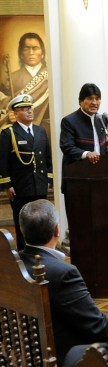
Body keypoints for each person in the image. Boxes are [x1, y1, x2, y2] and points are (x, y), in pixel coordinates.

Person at [18, 199, 108, 362]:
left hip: (25, 356)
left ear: (22, 230)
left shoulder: (11, 265)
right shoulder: (63, 273)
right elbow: (99, 329)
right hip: (63, 359)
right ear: (57, 230)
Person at [60, 83, 108, 226]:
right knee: (80, 225)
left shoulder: (100, 120)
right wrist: (86, 153)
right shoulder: (69, 121)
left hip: (99, 181)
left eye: (97, 98)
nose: (94, 102)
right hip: (77, 182)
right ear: (81, 101)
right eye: (90, 98)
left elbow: (104, 147)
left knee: (100, 223)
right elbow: (67, 147)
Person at [0, 94, 52, 250]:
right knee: (23, 221)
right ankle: (24, 252)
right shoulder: (9, 133)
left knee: (42, 219)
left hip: (40, 185)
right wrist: (7, 185)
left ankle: (42, 249)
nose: (29, 112)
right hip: (20, 188)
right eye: (24, 109)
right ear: (15, 114)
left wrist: (48, 180)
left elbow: (47, 158)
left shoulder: (40, 131)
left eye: (30, 108)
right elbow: (2, 162)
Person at [0, 33, 49, 131]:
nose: (31, 52)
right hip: (18, 130)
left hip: (46, 130)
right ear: (21, 54)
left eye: (35, 48)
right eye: (26, 48)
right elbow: (3, 107)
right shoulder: (10, 79)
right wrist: (8, 116)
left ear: (42, 54)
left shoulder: (52, 76)